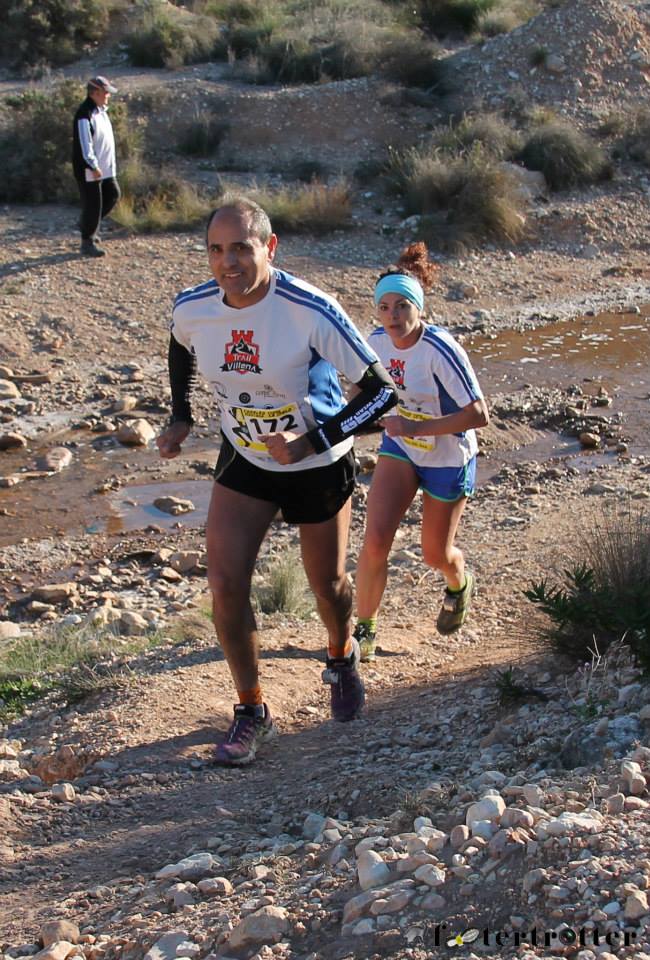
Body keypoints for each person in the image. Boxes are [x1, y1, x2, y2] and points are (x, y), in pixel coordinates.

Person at [156, 198, 397, 765]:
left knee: (328, 586)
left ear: (270, 246)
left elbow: (382, 391)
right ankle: (250, 711)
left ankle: (341, 655)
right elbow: (178, 344)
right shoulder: (194, 307)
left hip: (317, 461)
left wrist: (310, 442)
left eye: (240, 247)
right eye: (216, 249)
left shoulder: (310, 309)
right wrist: (180, 413)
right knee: (225, 581)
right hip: (246, 456)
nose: (227, 262)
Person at [353, 243, 489, 663]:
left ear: (420, 309)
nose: (393, 316)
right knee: (375, 541)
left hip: (449, 454)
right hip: (402, 447)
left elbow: (479, 414)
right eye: (385, 307)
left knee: (435, 554)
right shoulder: (375, 340)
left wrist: (415, 426)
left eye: (402, 306)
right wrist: (357, 414)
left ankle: (458, 581)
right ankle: (365, 630)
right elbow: (362, 389)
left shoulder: (440, 348)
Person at [72, 76, 121, 258]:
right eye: (105, 91)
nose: (108, 95)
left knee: (113, 195)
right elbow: (85, 145)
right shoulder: (85, 114)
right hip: (90, 169)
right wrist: (93, 165)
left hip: (106, 168)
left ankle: (88, 226)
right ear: (95, 93)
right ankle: (87, 241)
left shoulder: (101, 111)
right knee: (93, 204)